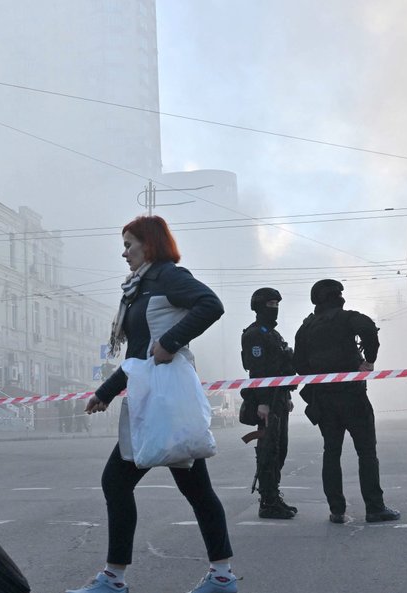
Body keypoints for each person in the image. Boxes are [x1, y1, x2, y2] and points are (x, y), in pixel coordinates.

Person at [67, 216, 237, 593]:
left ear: (151, 244)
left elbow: (211, 304)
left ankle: (118, 579)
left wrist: (172, 341)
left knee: (129, 482)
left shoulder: (167, 276)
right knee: (188, 489)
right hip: (150, 395)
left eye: (130, 244)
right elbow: (139, 353)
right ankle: (219, 577)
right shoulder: (140, 286)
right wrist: (106, 391)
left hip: (167, 397)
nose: (124, 251)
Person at [292, 279, 400, 525]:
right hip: (352, 396)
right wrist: (369, 360)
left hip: (323, 399)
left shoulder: (306, 328)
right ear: (338, 297)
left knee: (331, 452)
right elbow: (370, 330)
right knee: (366, 452)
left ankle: (337, 510)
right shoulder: (348, 318)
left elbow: (298, 365)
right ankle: (374, 508)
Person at [240, 287, 297, 519]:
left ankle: (274, 496)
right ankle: (268, 501)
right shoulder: (254, 334)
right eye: (269, 305)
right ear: (258, 307)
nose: (274, 309)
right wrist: (262, 402)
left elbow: (280, 366)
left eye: (276, 304)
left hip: (279, 398)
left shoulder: (273, 334)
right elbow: (259, 370)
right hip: (267, 400)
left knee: (279, 450)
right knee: (268, 450)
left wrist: (288, 396)